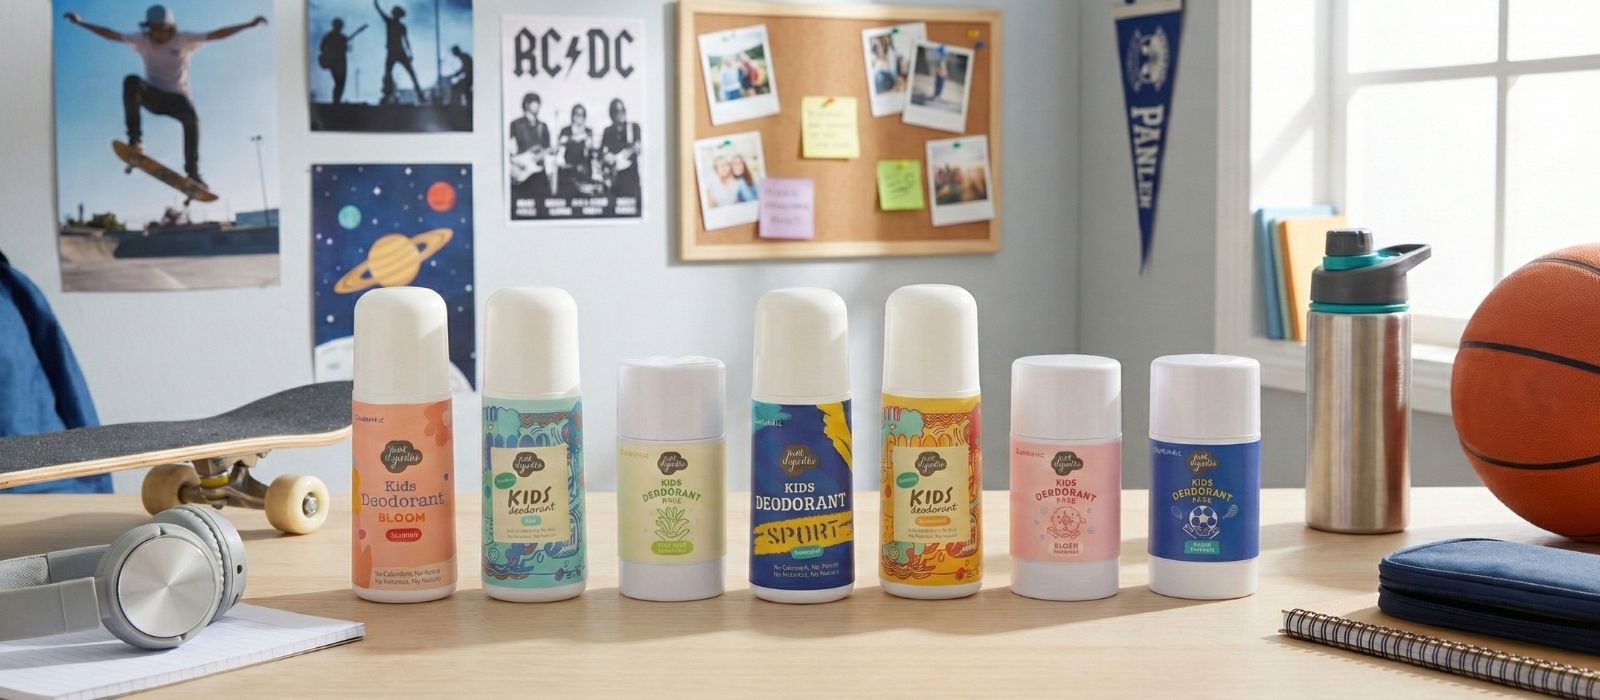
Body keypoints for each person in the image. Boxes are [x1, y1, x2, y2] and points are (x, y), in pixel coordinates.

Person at [65, 4, 267, 186]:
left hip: (177, 99)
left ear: (171, 28)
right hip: (153, 97)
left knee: (192, 119)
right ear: (148, 28)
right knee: (131, 81)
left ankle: (193, 173)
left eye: (162, 30)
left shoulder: (184, 39)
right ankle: (135, 143)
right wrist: (81, 24)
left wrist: (248, 25)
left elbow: (217, 34)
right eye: (154, 30)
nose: (158, 35)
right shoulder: (141, 40)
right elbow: (111, 35)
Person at [374, 0, 424, 105]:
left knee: (407, 73)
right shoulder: (392, 22)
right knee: (390, 74)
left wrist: (410, 53)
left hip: (397, 51)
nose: (396, 15)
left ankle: (420, 94)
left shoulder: (397, 24)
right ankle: (387, 95)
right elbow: (379, 10)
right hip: (395, 51)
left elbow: (406, 40)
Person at [508, 92, 551, 208]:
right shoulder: (515, 125)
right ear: (526, 105)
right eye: (534, 102)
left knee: (542, 206)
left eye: (538, 103)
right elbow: (507, 147)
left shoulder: (543, 126)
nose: (537, 105)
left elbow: (548, 148)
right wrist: (514, 162)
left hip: (538, 171)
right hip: (521, 171)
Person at [318, 18, 367, 105]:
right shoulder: (331, 36)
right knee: (339, 82)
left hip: (341, 62)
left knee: (340, 83)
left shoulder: (338, 37)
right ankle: (336, 101)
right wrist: (331, 52)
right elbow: (322, 48)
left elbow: (323, 47)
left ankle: (336, 101)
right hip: (336, 62)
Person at [600, 98, 641, 198]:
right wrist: (606, 157)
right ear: (612, 114)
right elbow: (603, 152)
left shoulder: (634, 127)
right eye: (617, 111)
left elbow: (637, 147)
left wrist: (617, 157)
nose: (621, 113)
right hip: (614, 180)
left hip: (631, 179)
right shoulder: (607, 131)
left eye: (623, 110)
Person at [556, 104, 595, 197]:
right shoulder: (565, 131)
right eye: (576, 114)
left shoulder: (588, 132)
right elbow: (560, 159)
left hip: (584, 177)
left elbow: (590, 155)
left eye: (582, 115)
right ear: (572, 116)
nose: (578, 118)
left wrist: (590, 146)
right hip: (567, 176)